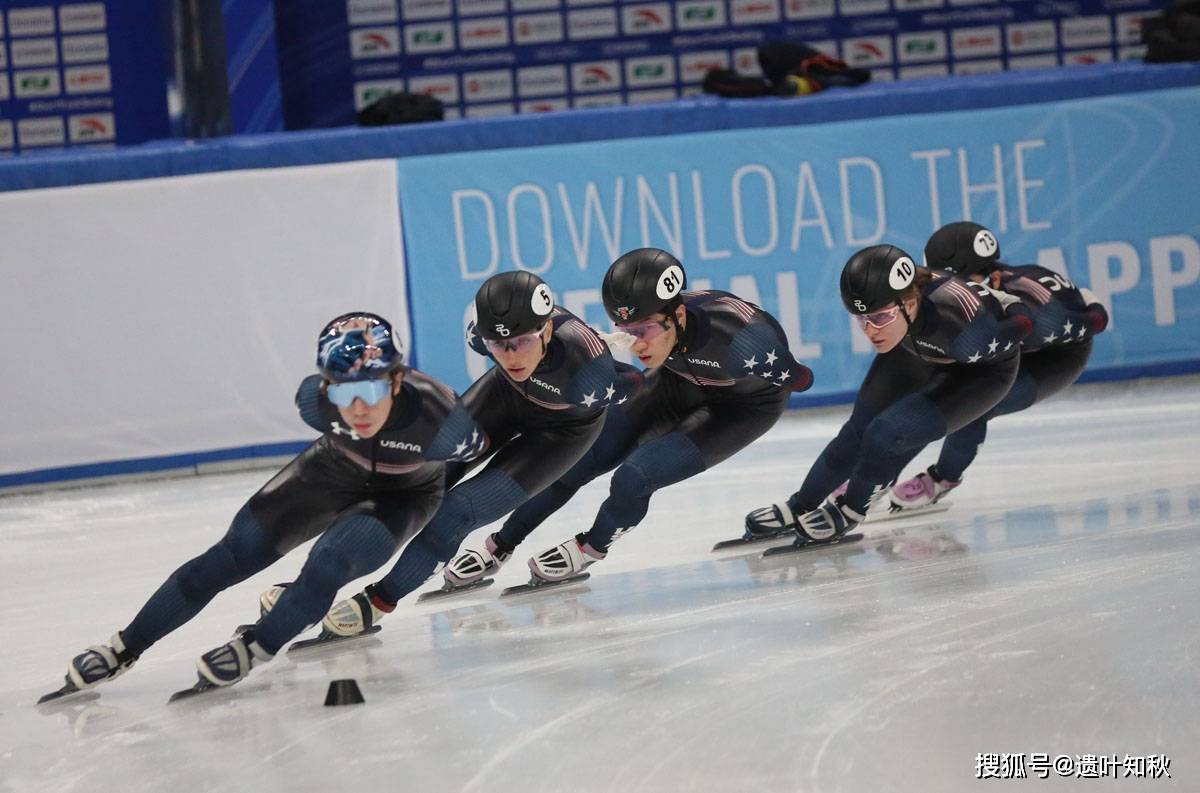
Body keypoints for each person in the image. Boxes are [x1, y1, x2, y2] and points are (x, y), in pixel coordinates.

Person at [46, 313, 484, 695]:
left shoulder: (440, 417)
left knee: (330, 561)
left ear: (396, 380)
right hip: (333, 470)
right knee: (227, 557)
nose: (356, 408)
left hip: (405, 494)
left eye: (369, 392)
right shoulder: (313, 402)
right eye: (342, 393)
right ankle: (125, 646)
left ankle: (257, 645)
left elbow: (476, 454)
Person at [442, 247, 815, 587]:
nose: (636, 343)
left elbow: (801, 380)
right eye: (626, 330)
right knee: (577, 462)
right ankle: (499, 546)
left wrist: (776, 363)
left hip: (744, 409)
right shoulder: (659, 337)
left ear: (678, 314)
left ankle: (590, 548)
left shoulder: (738, 333)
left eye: (645, 330)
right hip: (674, 383)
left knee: (634, 477)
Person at [315, 271, 627, 634]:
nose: (510, 355)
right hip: (505, 397)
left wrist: (613, 369)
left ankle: (378, 601)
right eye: (499, 344)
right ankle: (322, 581)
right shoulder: (480, 337)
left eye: (523, 342)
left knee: (455, 512)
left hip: (562, 433)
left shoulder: (585, 363)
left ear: (545, 331)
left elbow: (633, 383)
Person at [745, 243, 1034, 544]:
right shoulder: (902, 309)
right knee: (856, 433)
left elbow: (1025, 323)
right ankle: (800, 505)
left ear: (910, 304)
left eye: (880, 317)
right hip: (918, 349)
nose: (871, 330)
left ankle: (850, 512)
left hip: (981, 372)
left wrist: (1010, 302)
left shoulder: (960, 322)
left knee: (885, 435)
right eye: (861, 319)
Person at [887, 222, 1109, 510]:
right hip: (1010, 342)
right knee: (933, 395)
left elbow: (1096, 323)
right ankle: (884, 471)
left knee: (975, 407)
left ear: (991, 277)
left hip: (1056, 356)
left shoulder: (1038, 308)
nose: (951, 291)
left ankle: (942, 479)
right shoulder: (973, 289)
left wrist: (1091, 303)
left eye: (956, 282)